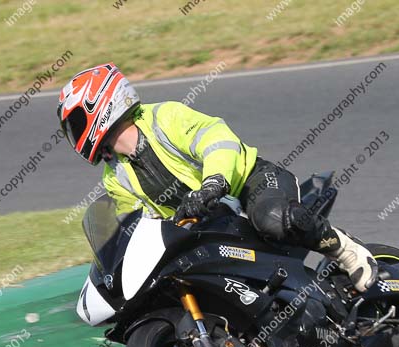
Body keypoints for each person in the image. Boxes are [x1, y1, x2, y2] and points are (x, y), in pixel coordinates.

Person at [58, 64, 377, 291]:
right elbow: (136, 225)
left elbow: (217, 140)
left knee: (272, 219)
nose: (74, 136)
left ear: (99, 104)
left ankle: (343, 249)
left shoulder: (164, 118)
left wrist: (214, 181)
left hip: (251, 182)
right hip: (207, 220)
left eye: (74, 123)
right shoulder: (115, 176)